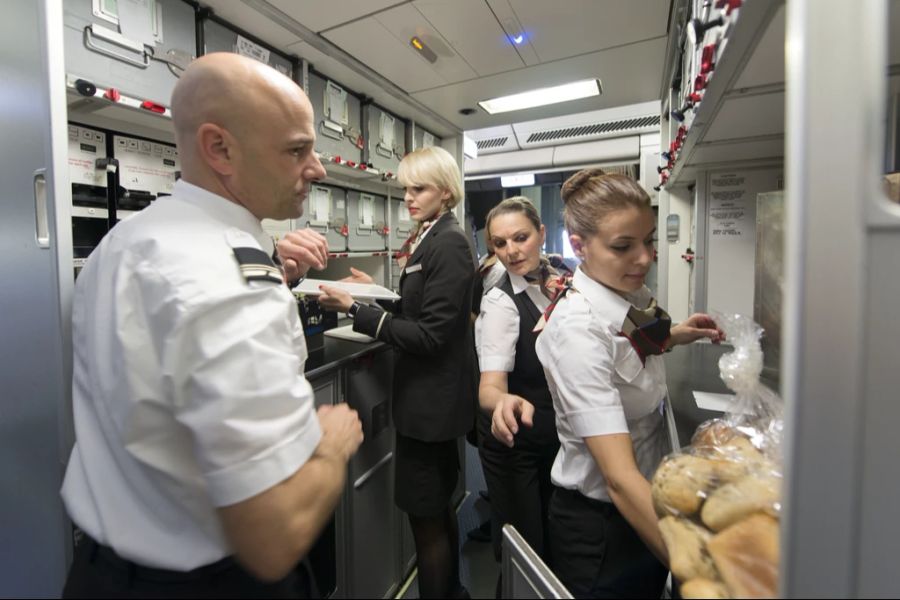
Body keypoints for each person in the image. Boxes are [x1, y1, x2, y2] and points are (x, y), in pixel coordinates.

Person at [59, 53, 364, 599]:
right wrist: (332, 447)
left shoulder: (122, 243)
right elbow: (275, 536)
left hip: (100, 572)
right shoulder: (232, 283)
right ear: (219, 148)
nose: (316, 168)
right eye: (297, 149)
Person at [535, 170, 725, 599]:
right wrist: (708, 576)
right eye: (623, 247)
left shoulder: (626, 297)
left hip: (642, 504)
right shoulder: (576, 331)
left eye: (649, 241)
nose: (644, 258)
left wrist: (675, 335)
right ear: (579, 245)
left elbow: (631, 344)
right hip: (602, 527)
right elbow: (619, 478)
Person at [317, 146, 476, 599]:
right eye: (406, 188)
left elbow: (430, 336)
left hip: (430, 409)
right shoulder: (433, 235)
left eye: (418, 188)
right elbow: (422, 307)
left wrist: (356, 311)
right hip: (431, 405)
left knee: (424, 522)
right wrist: (380, 295)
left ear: (445, 192)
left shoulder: (448, 243)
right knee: (436, 509)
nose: (408, 197)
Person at [474, 197, 572, 591]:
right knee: (523, 557)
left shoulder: (561, 278)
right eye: (500, 244)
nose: (511, 252)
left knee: (552, 549)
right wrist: (504, 402)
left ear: (542, 234)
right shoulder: (500, 301)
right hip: (514, 443)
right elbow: (489, 389)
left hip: (554, 437)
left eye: (520, 238)